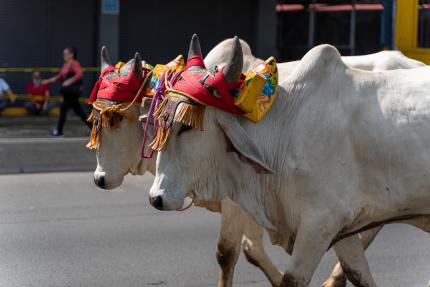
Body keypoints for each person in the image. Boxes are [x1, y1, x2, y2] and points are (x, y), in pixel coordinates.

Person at [42, 46, 91, 136]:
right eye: (63, 54)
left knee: (63, 109)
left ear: (72, 55)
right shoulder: (65, 65)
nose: (64, 56)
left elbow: (79, 74)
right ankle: (93, 127)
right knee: (79, 111)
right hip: (67, 92)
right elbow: (58, 77)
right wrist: (47, 81)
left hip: (72, 92)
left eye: (66, 54)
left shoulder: (74, 63)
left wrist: (69, 81)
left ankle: (59, 132)